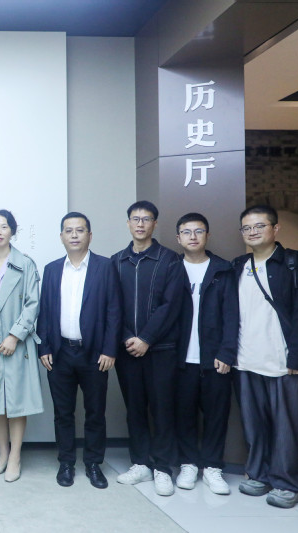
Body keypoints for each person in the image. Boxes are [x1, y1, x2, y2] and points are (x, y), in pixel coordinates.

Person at [233, 205, 298, 509]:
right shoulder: (238, 266)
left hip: (285, 364)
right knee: (255, 426)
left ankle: (287, 484)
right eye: (247, 227)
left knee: (288, 429)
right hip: (246, 361)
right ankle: (259, 475)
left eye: (260, 225)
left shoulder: (295, 264)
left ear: (275, 229)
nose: (253, 232)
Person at [38, 212, 121, 490]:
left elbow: (114, 311)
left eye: (80, 230)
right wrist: (44, 346)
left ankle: (94, 464)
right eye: (69, 230)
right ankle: (66, 463)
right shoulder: (51, 269)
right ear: (61, 236)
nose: (74, 235)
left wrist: (109, 349)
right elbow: (45, 311)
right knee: (63, 413)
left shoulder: (105, 266)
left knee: (95, 412)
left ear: (89, 235)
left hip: (95, 354)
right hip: (60, 352)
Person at [111, 200, 184, 496]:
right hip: (127, 349)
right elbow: (112, 306)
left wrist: (147, 339)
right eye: (135, 219)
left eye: (146, 219)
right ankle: (140, 462)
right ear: (128, 223)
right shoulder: (116, 261)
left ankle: (163, 467)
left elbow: (171, 305)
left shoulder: (170, 260)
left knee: (162, 409)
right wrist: (129, 338)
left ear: (155, 224)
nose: (140, 224)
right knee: (135, 408)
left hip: (161, 349)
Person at [0, 209, 42, 483]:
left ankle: (15, 456)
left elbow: (33, 304)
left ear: (13, 231)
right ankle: (2, 454)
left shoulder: (26, 264)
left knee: (16, 401)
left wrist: (15, 335)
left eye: (4, 226)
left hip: (17, 345)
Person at [173, 213, 238, 496]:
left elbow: (232, 315)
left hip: (215, 359)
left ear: (207, 236)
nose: (193, 236)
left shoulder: (223, 270)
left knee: (216, 416)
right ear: (178, 238)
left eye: (198, 231)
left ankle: (212, 467)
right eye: (186, 232)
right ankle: (188, 464)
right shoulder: (172, 268)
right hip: (180, 359)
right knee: (183, 415)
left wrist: (227, 352)